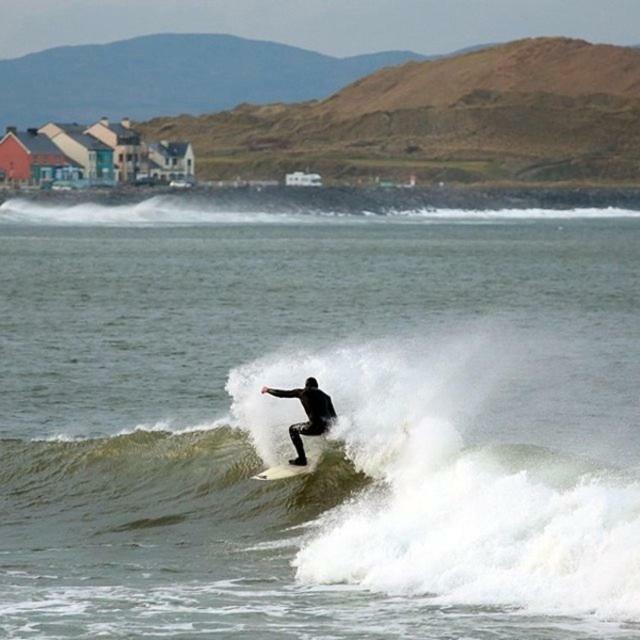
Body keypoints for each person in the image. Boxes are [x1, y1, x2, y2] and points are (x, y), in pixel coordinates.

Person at [261, 377, 337, 466]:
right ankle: (324, 449)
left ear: (306, 386)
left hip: (314, 427)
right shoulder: (326, 397)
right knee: (320, 425)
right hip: (326, 428)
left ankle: (302, 459)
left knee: (292, 429)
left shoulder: (302, 392)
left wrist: (268, 390)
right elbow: (334, 418)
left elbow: (282, 394)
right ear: (317, 386)